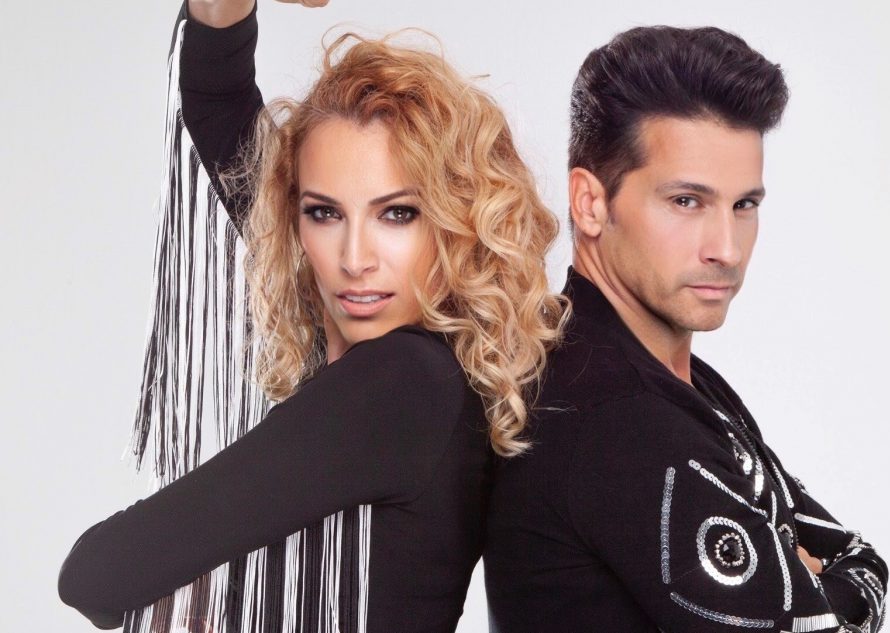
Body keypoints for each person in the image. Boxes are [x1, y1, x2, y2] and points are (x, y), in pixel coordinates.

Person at [57, 1, 566, 631]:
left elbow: (96, 574)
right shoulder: (426, 379)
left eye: (398, 214)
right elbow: (215, 101)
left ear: (456, 222)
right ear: (292, 220)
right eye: (324, 213)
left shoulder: (402, 384)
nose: (354, 259)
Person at [483, 26, 888, 633]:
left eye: (744, 205)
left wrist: (810, 585)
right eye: (686, 202)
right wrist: (804, 575)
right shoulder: (615, 416)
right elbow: (843, 593)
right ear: (590, 203)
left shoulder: (678, 384)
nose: (726, 248)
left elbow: (862, 560)